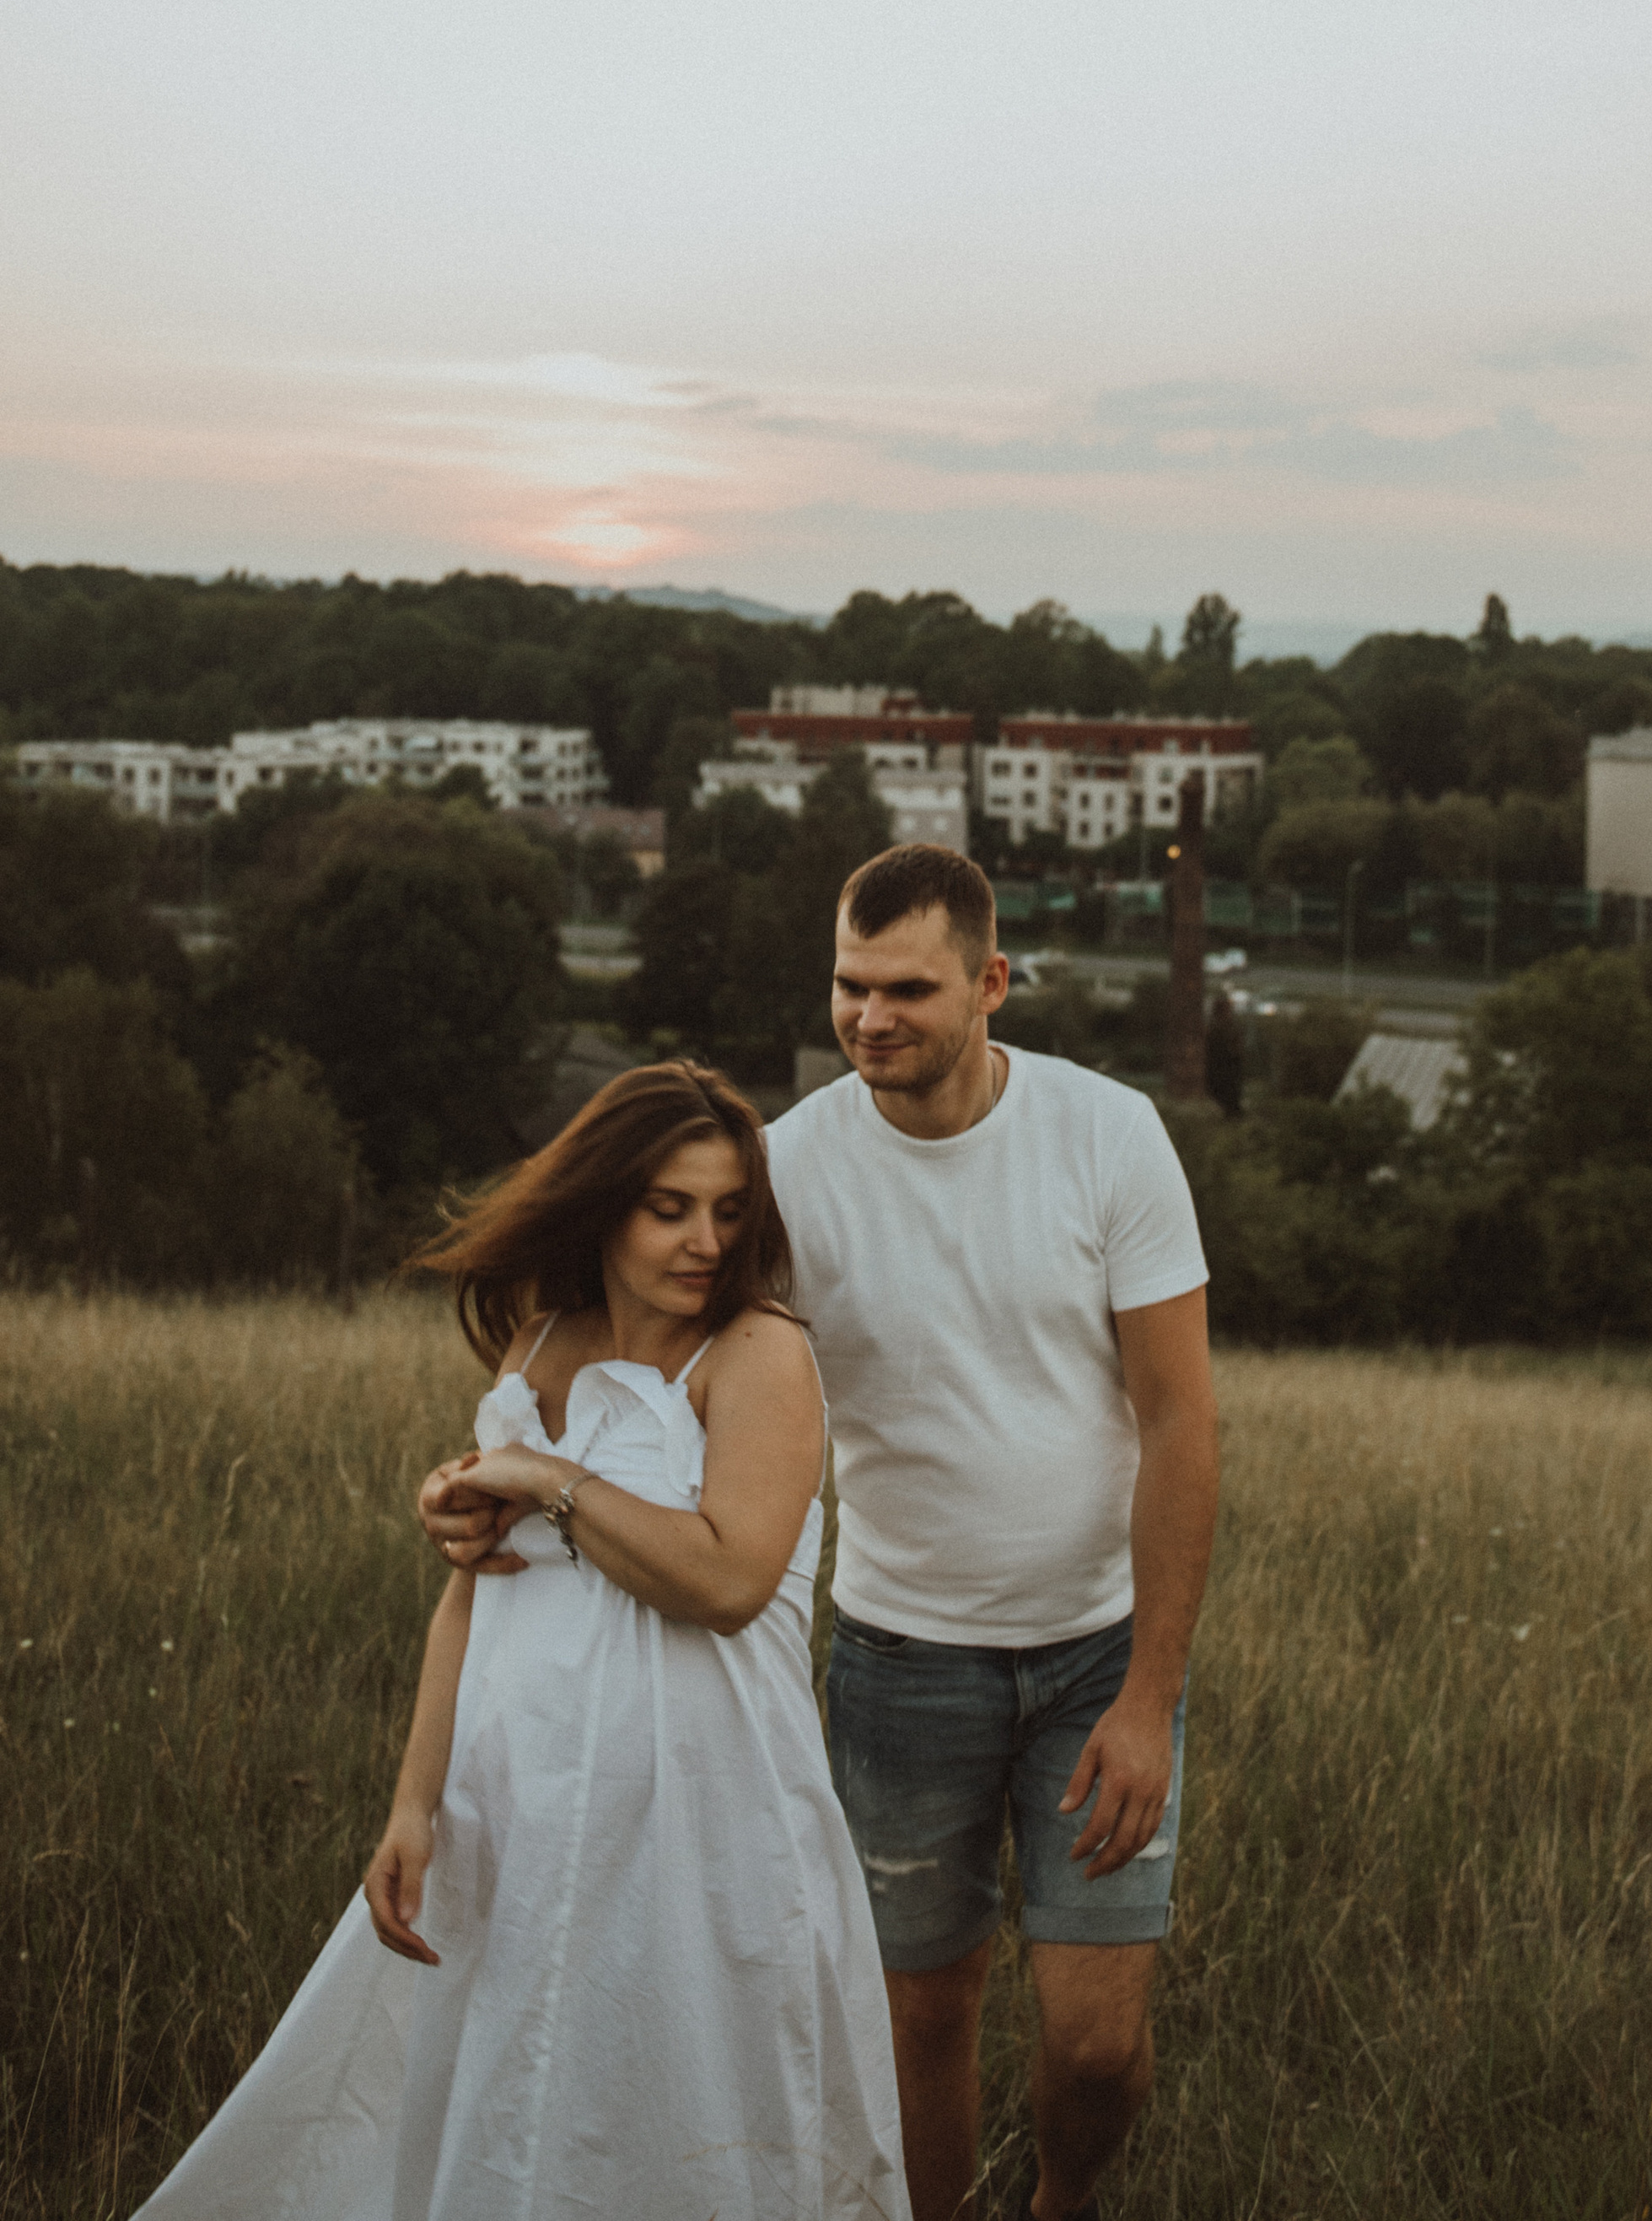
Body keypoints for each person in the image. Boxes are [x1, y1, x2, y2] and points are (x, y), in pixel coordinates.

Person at [425, 844, 1219, 2221]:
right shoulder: (782, 1176)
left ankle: (1064, 2200)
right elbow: (641, 1346)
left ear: (991, 986)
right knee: (917, 2022)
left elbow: (1182, 1423)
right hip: (901, 1661)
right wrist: (498, 1470)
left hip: (1097, 1654)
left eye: (908, 990)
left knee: (1095, 2047)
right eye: (851, 986)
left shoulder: (1110, 1135)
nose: (871, 1019)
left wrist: (1151, 1693)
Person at [139, 1064, 907, 2221]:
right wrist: (413, 1805)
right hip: (523, 1795)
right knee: (520, 2093)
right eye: (670, 1208)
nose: (706, 1239)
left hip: (703, 1808)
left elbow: (730, 1578)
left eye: (730, 1209)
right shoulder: (541, 1347)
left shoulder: (760, 1352)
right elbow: (474, 1594)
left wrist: (547, 1476)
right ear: (603, 1206)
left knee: (690, 2104)